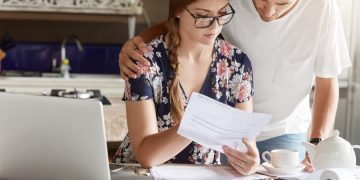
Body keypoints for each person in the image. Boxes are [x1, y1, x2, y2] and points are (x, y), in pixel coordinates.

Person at [118, 0, 351, 171]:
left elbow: (327, 84)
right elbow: (184, 15)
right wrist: (137, 43)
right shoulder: (148, 64)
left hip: (283, 129)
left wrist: (316, 144)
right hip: (216, 135)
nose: (268, 12)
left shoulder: (237, 64)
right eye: (262, 0)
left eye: (281, 2)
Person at [113, 0, 260, 175]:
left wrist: (250, 161)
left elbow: (243, 144)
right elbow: (146, 156)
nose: (215, 25)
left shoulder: (238, 63)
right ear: (177, 11)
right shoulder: (144, 62)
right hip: (138, 175)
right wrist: (198, 124)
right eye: (203, 16)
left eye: (221, 13)